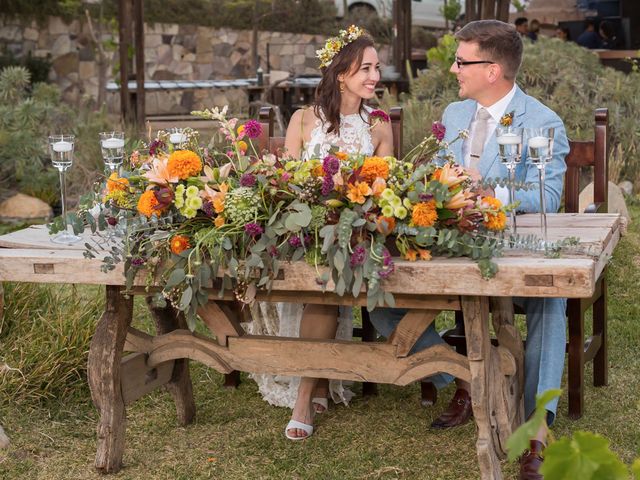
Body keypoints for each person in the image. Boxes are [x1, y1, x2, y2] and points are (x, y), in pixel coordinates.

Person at [369, 20, 569, 480]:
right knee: (377, 290)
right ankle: (463, 378)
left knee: (551, 299)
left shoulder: (541, 122)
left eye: (463, 61)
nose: (455, 68)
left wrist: (486, 194)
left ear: (493, 70)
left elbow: (548, 197)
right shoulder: (455, 115)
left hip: (509, 246)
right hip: (446, 243)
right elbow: (433, 177)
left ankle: (537, 428)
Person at [249, 25, 393, 441]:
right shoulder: (303, 119)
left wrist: (352, 212)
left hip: (356, 232)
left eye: (377, 68)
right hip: (302, 229)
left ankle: (306, 394)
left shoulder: (379, 125)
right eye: (366, 68)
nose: (375, 77)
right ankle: (316, 383)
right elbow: (285, 181)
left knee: (326, 278)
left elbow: (387, 188)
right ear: (341, 72)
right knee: (319, 271)